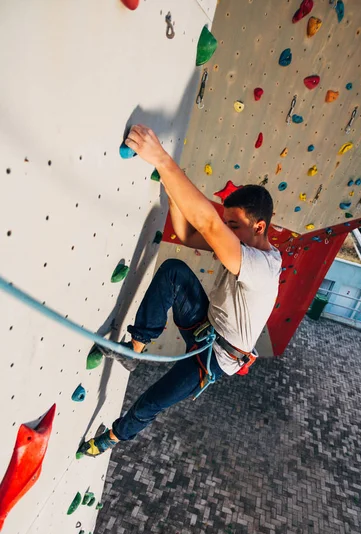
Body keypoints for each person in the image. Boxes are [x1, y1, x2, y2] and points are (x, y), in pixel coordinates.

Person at [78, 125, 282, 458]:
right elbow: (188, 235)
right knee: (174, 272)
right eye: (228, 224)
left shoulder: (260, 266)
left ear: (259, 227)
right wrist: (172, 192)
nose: (226, 232)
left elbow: (210, 225)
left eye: (234, 225)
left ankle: (111, 439)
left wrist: (161, 158)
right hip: (205, 323)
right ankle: (135, 349)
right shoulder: (243, 246)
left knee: (153, 399)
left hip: (215, 357)